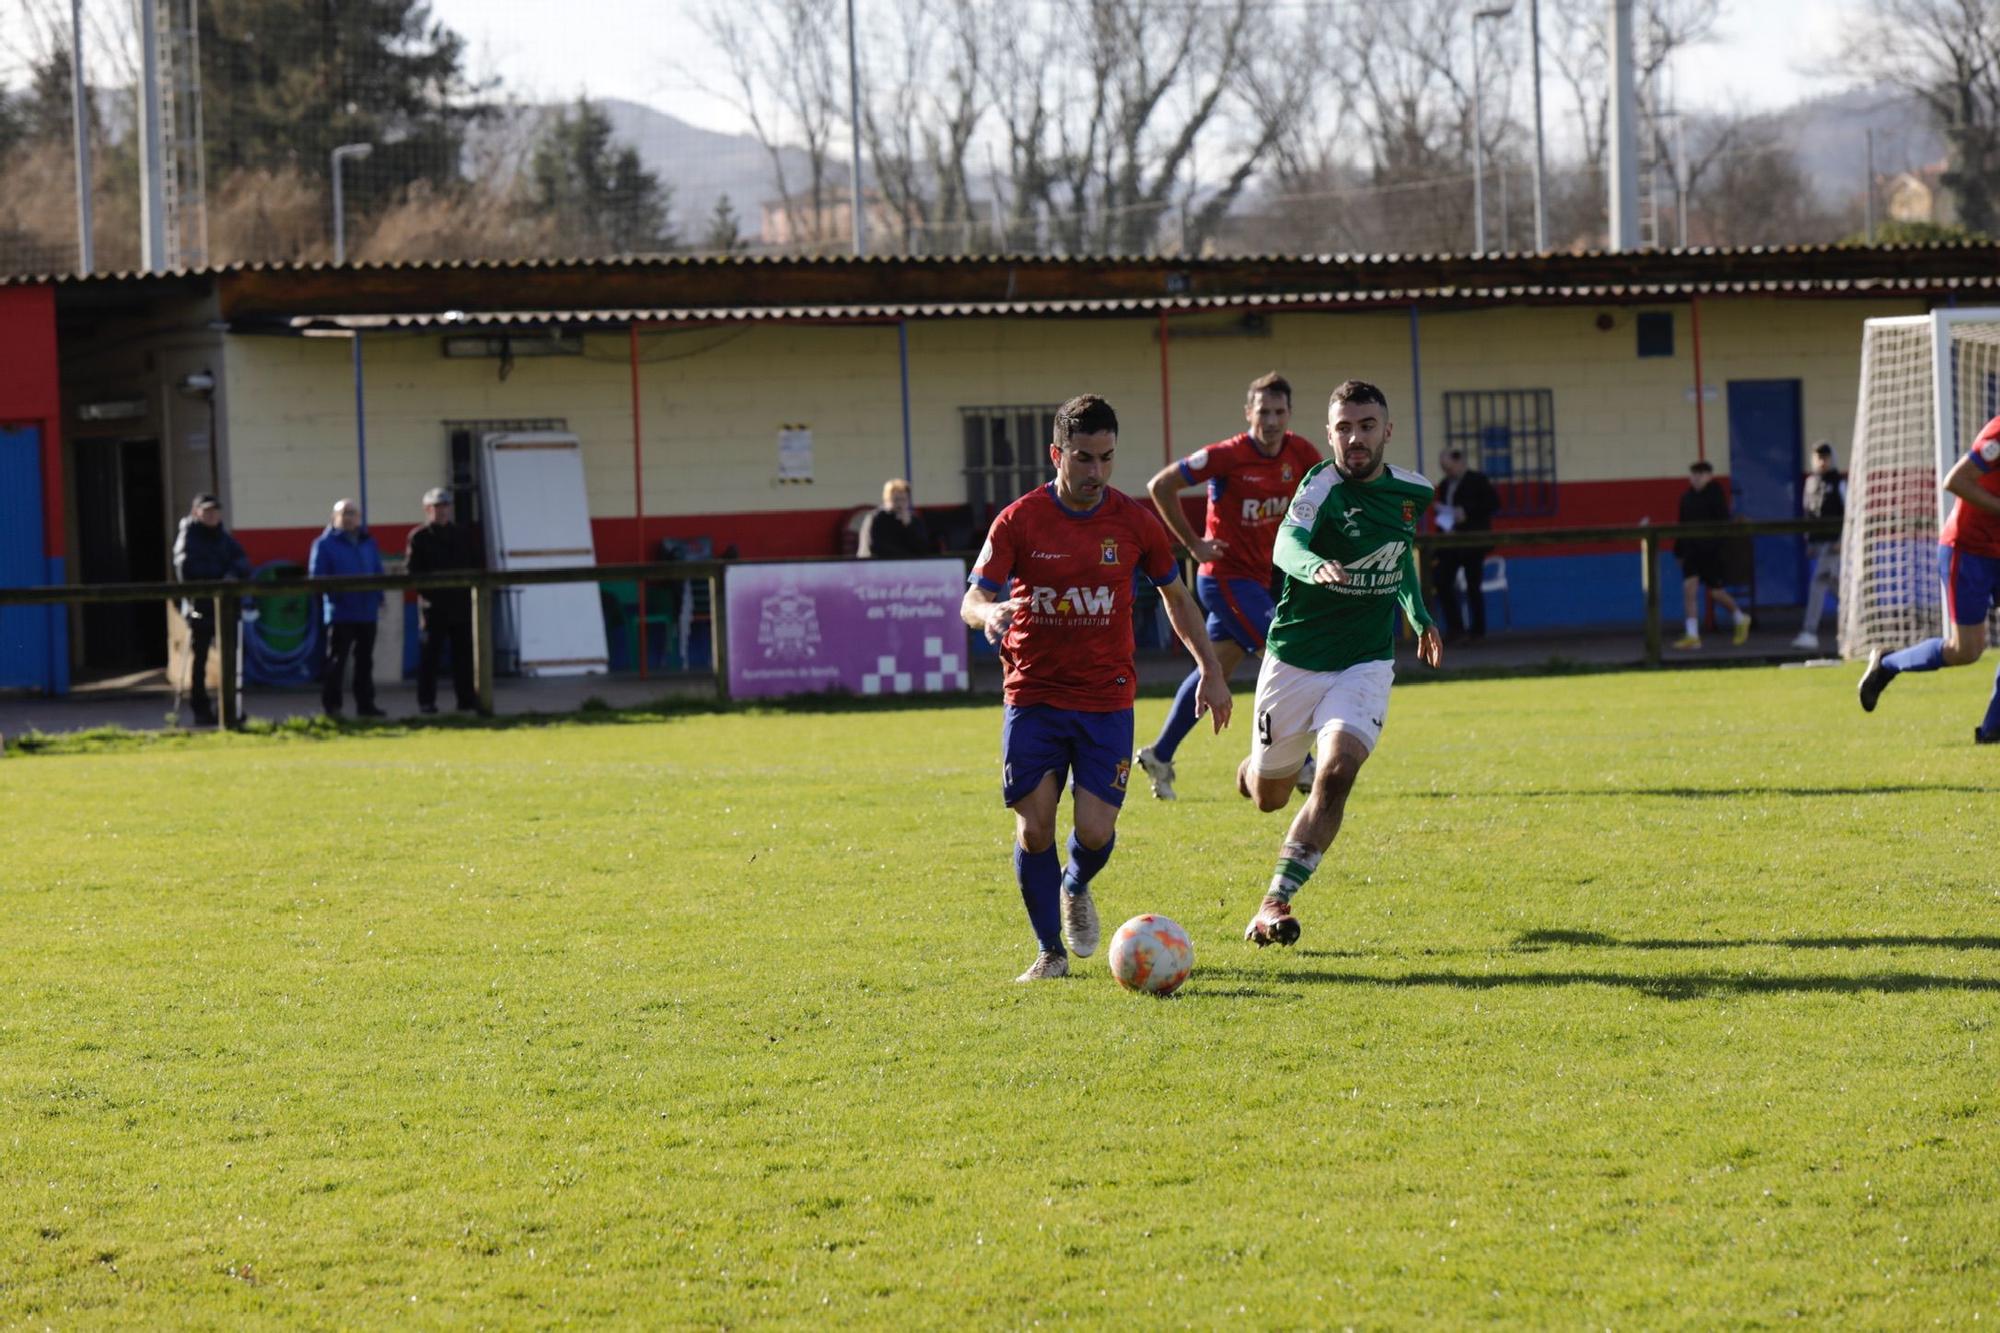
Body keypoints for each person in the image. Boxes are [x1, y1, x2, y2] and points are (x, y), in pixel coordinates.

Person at [962, 393, 1233, 982]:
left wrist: (1211, 672)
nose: (1096, 472)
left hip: (1106, 698)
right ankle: (1050, 953)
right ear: (1056, 453)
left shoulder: (1134, 523)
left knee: (1093, 830)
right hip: (1033, 692)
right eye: (1083, 458)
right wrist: (990, 616)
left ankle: (1075, 883)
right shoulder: (1019, 519)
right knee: (1033, 827)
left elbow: (1177, 597)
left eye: (1106, 458)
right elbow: (973, 597)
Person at [1236, 380, 1443, 948]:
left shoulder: (1414, 492)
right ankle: (1255, 770)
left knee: (1336, 772)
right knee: (1269, 797)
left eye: (1366, 426)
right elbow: (1286, 543)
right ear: (1328, 434)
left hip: (1365, 661)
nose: (1355, 438)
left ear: (1387, 431)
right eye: (1344, 428)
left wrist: (1418, 616)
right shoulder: (1319, 485)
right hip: (1296, 660)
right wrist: (1312, 565)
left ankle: (1274, 900)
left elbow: (1396, 557)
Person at [1135, 371, 1322, 799]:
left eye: (1278, 412)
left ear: (1289, 414)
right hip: (1224, 580)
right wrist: (1194, 544)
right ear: (1248, 414)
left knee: (1214, 669)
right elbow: (1161, 485)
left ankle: (1160, 754)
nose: (1271, 421)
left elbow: (1327, 493)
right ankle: (1301, 762)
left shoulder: (1301, 453)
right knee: (1286, 653)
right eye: (1263, 412)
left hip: (1259, 581)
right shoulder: (1230, 454)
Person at [1856, 413, 2000, 742]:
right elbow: (1956, 481)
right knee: (1966, 651)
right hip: (1968, 550)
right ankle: (1888, 663)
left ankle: (1993, 730)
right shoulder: (1998, 434)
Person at [171, 493, 249, 726]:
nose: (212, 515)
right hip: (201, 606)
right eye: (207, 511)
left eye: (215, 511)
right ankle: (200, 707)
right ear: (197, 512)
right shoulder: (188, 537)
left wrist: (232, 575)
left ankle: (229, 708)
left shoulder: (224, 537)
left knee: (232, 658)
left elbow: (243, 561)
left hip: (227, 608)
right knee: (201, 660)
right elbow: (186, 569)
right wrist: (217, 578)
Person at [405, 486, 481, 715]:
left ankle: (466, 700)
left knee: (464, 657)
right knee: (430, 658)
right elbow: (412, 573)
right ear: (428, 509)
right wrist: (431, 593)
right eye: (437, 507)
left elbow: (474, 565)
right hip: (433, 608)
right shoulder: (419, 537)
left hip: (460, 606)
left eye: (445, 506)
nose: (442, 511)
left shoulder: (462, 534)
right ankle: (426, 702)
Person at [308, 498, 387, 717]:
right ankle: (332, 706)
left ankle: (366, 705)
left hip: (367, 611)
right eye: (345, 513)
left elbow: (377, 570)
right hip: (340, 612)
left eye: (353, 513)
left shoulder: (368, 541)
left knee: (365, 661)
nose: (349, 517)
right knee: (336, 662)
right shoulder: (323, 544)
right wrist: (336, 597)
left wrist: (379, 596)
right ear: (335, 517)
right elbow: (317, 577)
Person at [1672, 460, 1751, 649]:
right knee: (1689, 590)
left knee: (1716, 593)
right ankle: (1693, 635)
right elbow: (1682, 525)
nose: (1697, 479)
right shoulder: (1686, 498)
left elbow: (1723, 523)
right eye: (1694, 475)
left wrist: (1719, 548)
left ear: (1709, 476)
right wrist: (1679, 551)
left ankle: (1740, 617)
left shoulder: (1716, 496)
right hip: (1692, 551)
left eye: (1701, 474)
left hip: (1711, 552)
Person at [1429, 447, 1502, 644]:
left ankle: (1477, 632)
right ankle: (1456, 628)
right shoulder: (1445, 484)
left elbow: (1493, 504)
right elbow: (1445, 510)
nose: (1447, 472)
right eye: (1444, 468)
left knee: (1473, 586)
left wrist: (1466, 512)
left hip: (1472, 542)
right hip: (1451, 541)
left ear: (1460, 462)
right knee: (1441, 581)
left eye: (1449, 468)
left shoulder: (1477, 480)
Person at [1793, 441, 1845, 651]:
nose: (1822, 461)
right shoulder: (1810, 483)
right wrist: (1809, 539)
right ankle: (1861, 614)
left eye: (1825, 457)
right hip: (1819, 541)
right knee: (1834, 583)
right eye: (1818, 457)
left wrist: (1842, 540)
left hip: (1834, 542)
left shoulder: (1839, 483)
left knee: (1818, 583)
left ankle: (1809, 632)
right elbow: (1809, 513)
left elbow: (1849, 512)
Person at [857, 478, 934, 558]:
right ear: (886, 500)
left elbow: (923, 549)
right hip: (879, 564)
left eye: (903, 500)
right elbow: (874, 546)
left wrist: (908, 526)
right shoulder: (875, 518)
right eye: (896, 500)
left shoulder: (914, 520)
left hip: (907, 565)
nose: (900, 504)